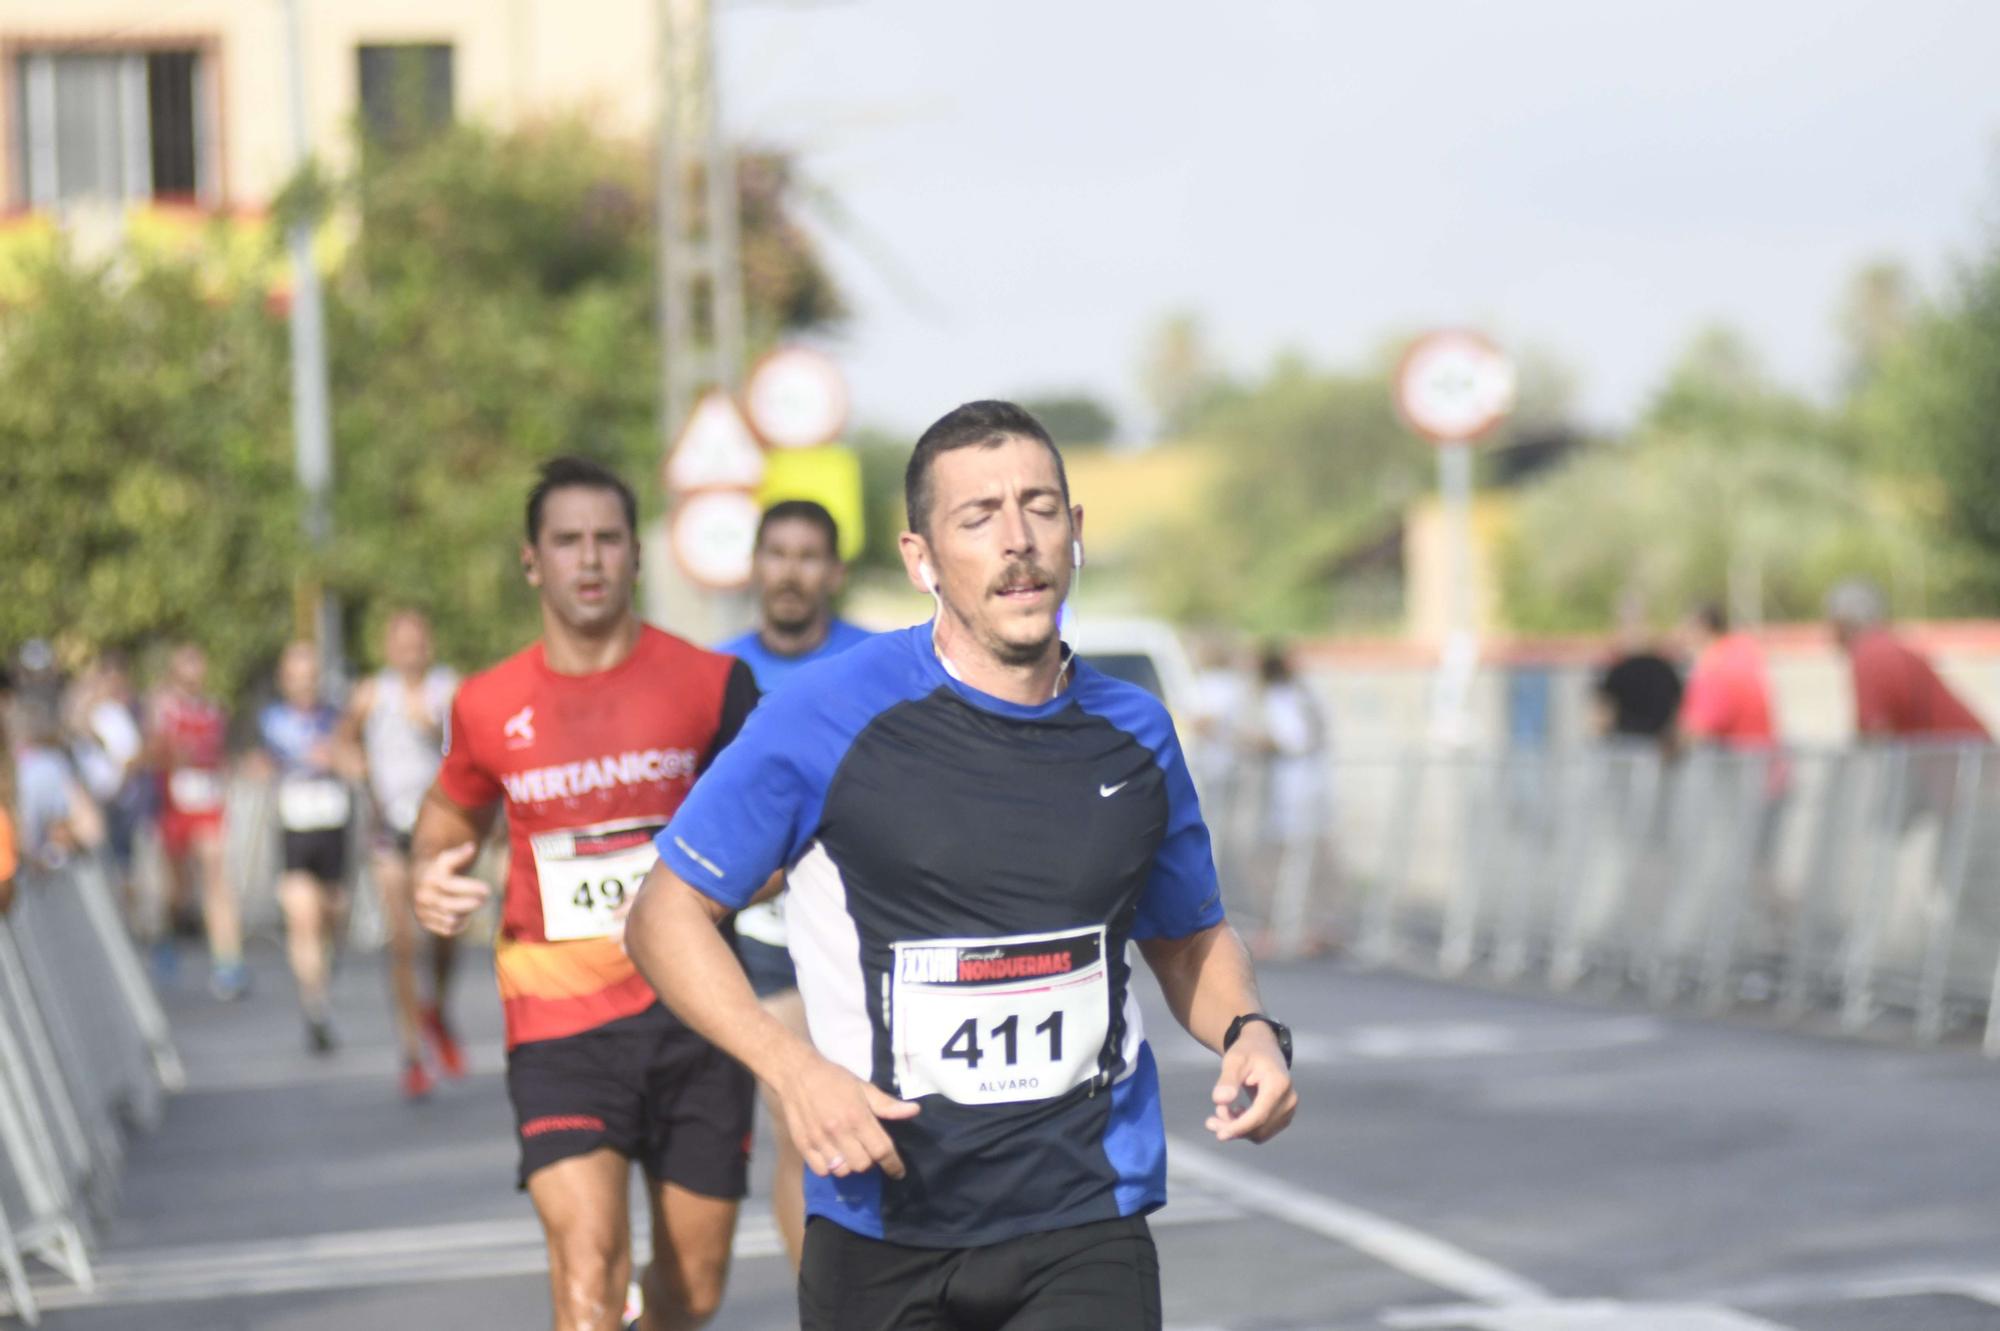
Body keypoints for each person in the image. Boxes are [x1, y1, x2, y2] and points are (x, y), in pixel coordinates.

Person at [626, 400, 1298, 1331]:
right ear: (921, 560)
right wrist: (791, 1070)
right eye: (978, 518)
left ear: (1077, 533)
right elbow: (664, 914)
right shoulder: (826, 716)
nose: (1018, 540)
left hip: (1083, 1212)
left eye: (1041, 507)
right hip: (882, 1218)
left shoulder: (1135, 733)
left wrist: (1250, 1031)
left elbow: (1186, 937)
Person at [411, 456, 760, 1331]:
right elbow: (447, 820)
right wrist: (431, 877)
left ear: (637, 556)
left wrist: (716, 888)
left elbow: (775, 829)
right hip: (559, 1024)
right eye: (567, 541)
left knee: (693, 1289)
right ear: (533, 560)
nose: (590, 559)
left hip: (699, 1013)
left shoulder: (711, 684)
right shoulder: (489, 704)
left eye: (608, 539)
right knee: (588, 1268)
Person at [713, 499, 873, 1272]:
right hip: (767, 928)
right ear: (754, 564)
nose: (791, 570)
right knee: (799, 1109)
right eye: (777, 552)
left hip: (867, 925)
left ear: (834, 572)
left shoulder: (876, 666)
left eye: (809, 555)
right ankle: (822, 1294)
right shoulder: (718, 675)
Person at [340, 610, 465, 1099]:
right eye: (402, 642)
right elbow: (344, 741)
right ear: (389, 648)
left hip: (439, 827)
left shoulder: (447, 688)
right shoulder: (372, 693)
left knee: (444, 933)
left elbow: (472, 746)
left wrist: (437, 731)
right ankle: (412, 1052)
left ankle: (438, 1007)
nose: (412, 650)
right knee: (402, 942)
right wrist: (353, 765)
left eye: (419, 641)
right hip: (390, 828)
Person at [258, 641, 356, 1055]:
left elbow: (354, 759)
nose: (304, 685)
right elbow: (258, 763)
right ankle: (314, 1006)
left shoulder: (337, 717)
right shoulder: (270, 719)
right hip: (295, 828)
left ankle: (323, 970)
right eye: (295, 678)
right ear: (285, 681)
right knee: (304, 918)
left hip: (333, 826)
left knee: (332, 914)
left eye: (310, 677)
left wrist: (339, 758)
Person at [144, 643, 246, 999]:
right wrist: (170, 752)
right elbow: (150, 754)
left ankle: (229, 963)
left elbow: (223, 755)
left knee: (217, 875)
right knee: (179, 891)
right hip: (175, 808)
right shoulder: (163, 709)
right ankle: (167, 936)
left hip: (208, 805)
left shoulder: (215, 709)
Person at [1827, 580, 1991, 741]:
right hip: (1966, 757)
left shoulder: (1870, 654)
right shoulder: (1885, 647)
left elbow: (1876, 737)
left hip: (1959, 761)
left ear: (1842, 622)